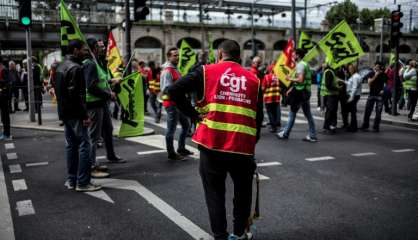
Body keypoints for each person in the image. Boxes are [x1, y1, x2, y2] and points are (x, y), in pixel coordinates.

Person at [168, 39, 263, 240]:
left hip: (212, 143)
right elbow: (258, 117)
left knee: (215, 193)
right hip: (242, 147)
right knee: (243, 194)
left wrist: (193, 115)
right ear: (240, 57)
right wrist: (251, 143)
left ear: (220, 54)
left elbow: (173, 91)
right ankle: (239, 235)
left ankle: (220, 236)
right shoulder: (254, 79)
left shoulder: (205, 72)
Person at [55, 39, 100, 192]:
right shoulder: (76, 68)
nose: (84, 53)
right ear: (75, 50)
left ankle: (71, 180)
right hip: (75, 113)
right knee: (84, 145)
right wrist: (84, 115)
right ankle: (83, 182)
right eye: (82, 50)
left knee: (71, 146)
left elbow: (59, 93)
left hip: (65, 113)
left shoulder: (61, 66)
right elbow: (77, 96)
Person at [83, 38, 125, 179]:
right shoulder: (90, 64)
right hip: (94, 103)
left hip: (101, 103)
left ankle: (109, 156)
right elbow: (91, 86)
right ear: (93, 48)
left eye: (103, 46)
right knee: (93, 136)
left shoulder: (99, 62)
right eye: (99, 46)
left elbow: (99, 80)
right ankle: (91, 166)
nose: (102, 48)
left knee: (107, 129)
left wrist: (110, 81)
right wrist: (109, 94)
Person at [277, 48, 317, 142]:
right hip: (305, 92)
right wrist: (291, 89)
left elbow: (301, 80)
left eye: (294, 54)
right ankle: (312, 135)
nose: (293, 56)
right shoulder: (305, 64)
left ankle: (285, 133)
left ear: (298, 55)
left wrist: (289, 78)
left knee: (292, 113)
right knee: (308, 114)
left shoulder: (300, 65)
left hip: (300, 93)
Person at [160, 47, 192, 161]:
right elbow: (165, 89)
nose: (177, 57)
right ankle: (171, 153)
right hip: (172, 104)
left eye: (178, 55)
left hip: (178, 103)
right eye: (175, 55)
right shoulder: (167, 70)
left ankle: (181, 148)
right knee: (171, 129)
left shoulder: (175, 69)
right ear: (169, 57)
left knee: (186, 126)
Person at [361, 61, 388, 132]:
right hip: (371, 94)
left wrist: (383, 90)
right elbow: (369, 83)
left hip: (380, 96)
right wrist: (375, 75)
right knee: (367, 111)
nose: (377, 68)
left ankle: (376, 127)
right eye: (376, 66)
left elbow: (386, 84)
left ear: (381, 67)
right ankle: (365, 125)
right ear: (374, 66)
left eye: (378, 67)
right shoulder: (371, 73)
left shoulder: (383, 75)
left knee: (378, 112)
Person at [321, 63, 340, 134]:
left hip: (329, 95)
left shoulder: (329, 72)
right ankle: (327, 127)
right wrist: (337, 88)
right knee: (330, 112)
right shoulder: (329, 72)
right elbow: (328, 85)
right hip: (331, 95)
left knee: (331, 112)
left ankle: (331, 126)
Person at [262, 64, 281, 133]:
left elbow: (263, 88)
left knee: (270, 113)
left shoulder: (266, 77)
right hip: (276, 97)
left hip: (269, 97)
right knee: (275, 112)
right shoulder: (277, 77)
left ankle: (273, 127)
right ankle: (275, 124)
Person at [345, 64, 362, 132]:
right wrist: (342, 80)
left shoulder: (355, 77)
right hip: (353, 95)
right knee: (352, 111)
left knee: (353, 112)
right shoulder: (354, 76)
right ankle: (352, 126)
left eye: (351, 69)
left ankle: (353, 127)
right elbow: (350, 84)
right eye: (349, 69)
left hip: (354, 96)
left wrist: (351, 97)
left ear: (354, 69)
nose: (349, 70)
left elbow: (354, 87)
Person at [0, 55, 12, 140]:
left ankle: (7, 134)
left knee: (5, 115)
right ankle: (4, 133)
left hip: (3, 95)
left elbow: (8, 83)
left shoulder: (3, 69)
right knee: (3, 115)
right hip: (2, 95)